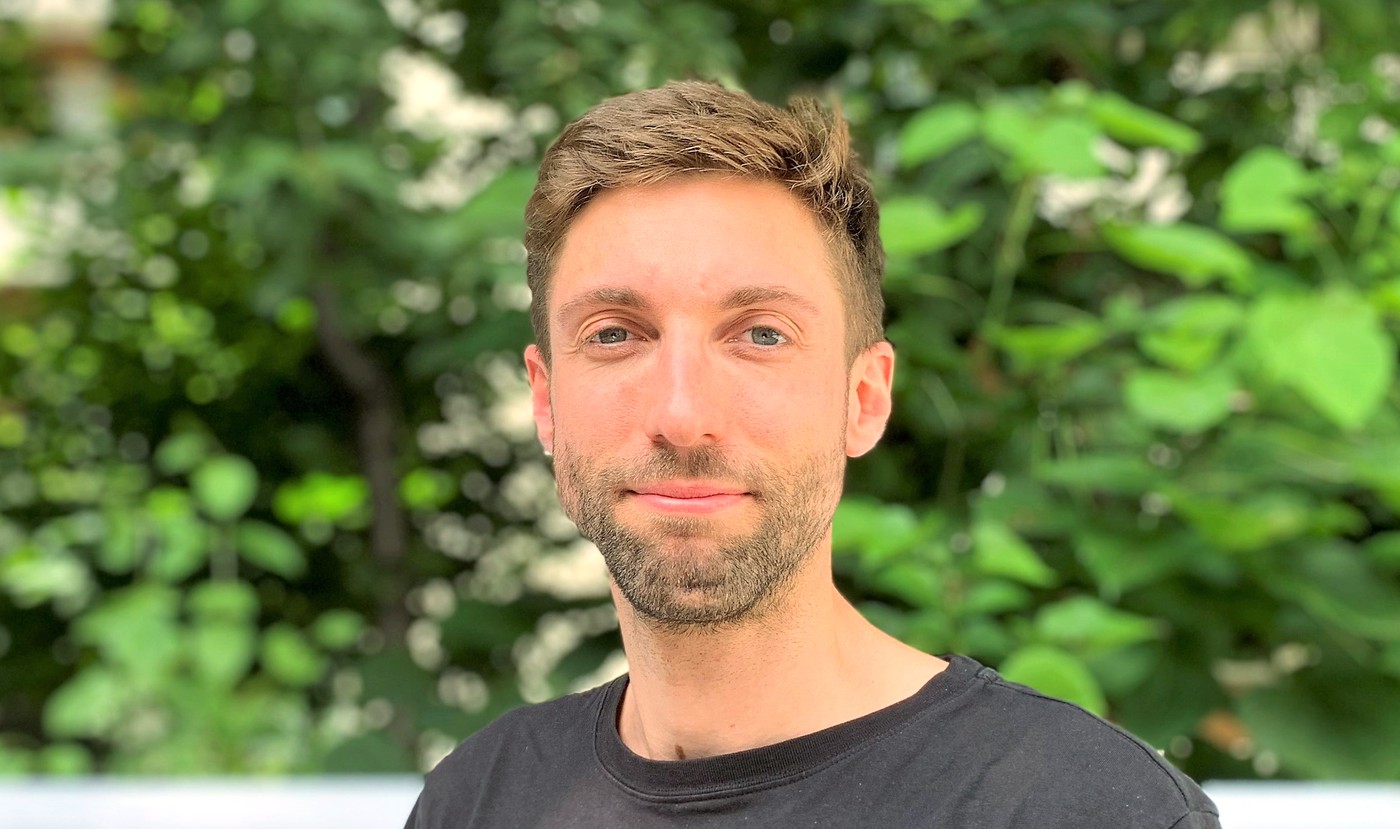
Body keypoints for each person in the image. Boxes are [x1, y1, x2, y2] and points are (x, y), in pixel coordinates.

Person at [404, 80, 1221, 829]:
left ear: (863, 398)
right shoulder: (478, 799)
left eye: (761, 334)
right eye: (615, 333)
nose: (682, 415)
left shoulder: (1082, 809)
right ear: (546, 400)